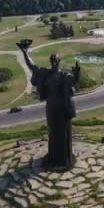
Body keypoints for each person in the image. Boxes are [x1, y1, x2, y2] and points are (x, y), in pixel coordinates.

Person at [17, 43, 80, 171]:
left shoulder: (64, 75)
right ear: (50, 62)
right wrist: (25, 53)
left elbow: (73, 80)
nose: (54, 63)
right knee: (53, 131)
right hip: (51, 107)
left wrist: (77, 74)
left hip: (63, 108)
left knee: (63, 132)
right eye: (52, 60)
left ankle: (64, 159)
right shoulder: (44, 73)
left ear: (59, 61)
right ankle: (53, 157)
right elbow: (31, 66)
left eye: (56, 60)